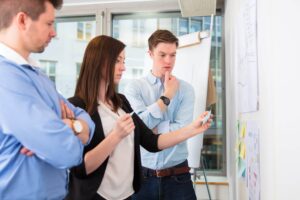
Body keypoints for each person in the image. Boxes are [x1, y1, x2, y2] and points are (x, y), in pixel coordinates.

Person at [66, 35, 211, 200]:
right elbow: (80, 168)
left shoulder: (120, 102)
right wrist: (116, 135)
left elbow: (152, 142)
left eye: (124, 62)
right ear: (98, 61)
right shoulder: (76, 107)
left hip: (126, 195)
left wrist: (192, 129)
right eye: (117, 61)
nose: (123, 68)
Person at [0, 0, 94, 199]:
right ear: (23, 20)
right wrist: (71, 131)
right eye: (49, 24)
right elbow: (66, 152)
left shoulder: (37, 74)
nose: (54, 33)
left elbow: (87, 122)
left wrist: (69, 125)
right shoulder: (4, 76)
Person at [124, 29, 197, 200]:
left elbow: (183, 130)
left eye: (173, 55)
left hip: (178, 176)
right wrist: (168, 96)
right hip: (142, 177)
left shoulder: (186, 90)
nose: (168, 61)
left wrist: (151, 129)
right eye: (162, 55)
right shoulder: (134, 88)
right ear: (150, 54)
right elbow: (138, 128)